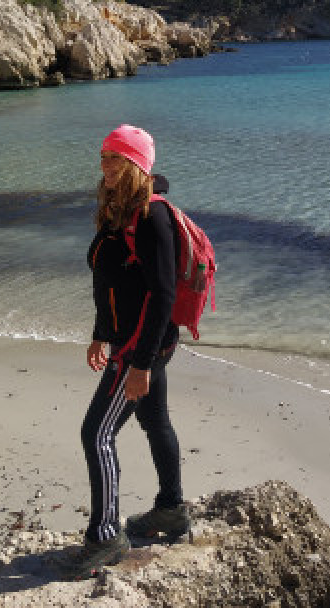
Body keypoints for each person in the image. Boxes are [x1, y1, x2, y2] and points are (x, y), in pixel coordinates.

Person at [64, 124, 190, 580]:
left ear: (136, 163)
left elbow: (161, 294)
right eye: (103, 156)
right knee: (155, 421)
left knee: (96, 432)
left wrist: (140, 364)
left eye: (115, 158)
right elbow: (112, 281)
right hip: (129, 342)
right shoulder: (119, 211)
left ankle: (106, 535)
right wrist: (100, 331)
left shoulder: (154, 217)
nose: (105, 165)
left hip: (143, 347)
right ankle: (172, 511)